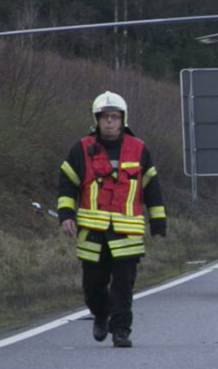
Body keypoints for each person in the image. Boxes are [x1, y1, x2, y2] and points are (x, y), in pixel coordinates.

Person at [56, 91, 167, 348]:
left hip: (127, 233)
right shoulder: (81, 149)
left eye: (114, 117)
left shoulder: (139, 149)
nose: (109, 122)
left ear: (123, 119)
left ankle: (121, 331)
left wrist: (159, 224)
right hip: (92, 232)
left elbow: (152, 189)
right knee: (93, 287)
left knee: (123, 287)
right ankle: (101, 314)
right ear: (97, 119)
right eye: (105, 117)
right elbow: (66, 185)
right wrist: (65, 215)